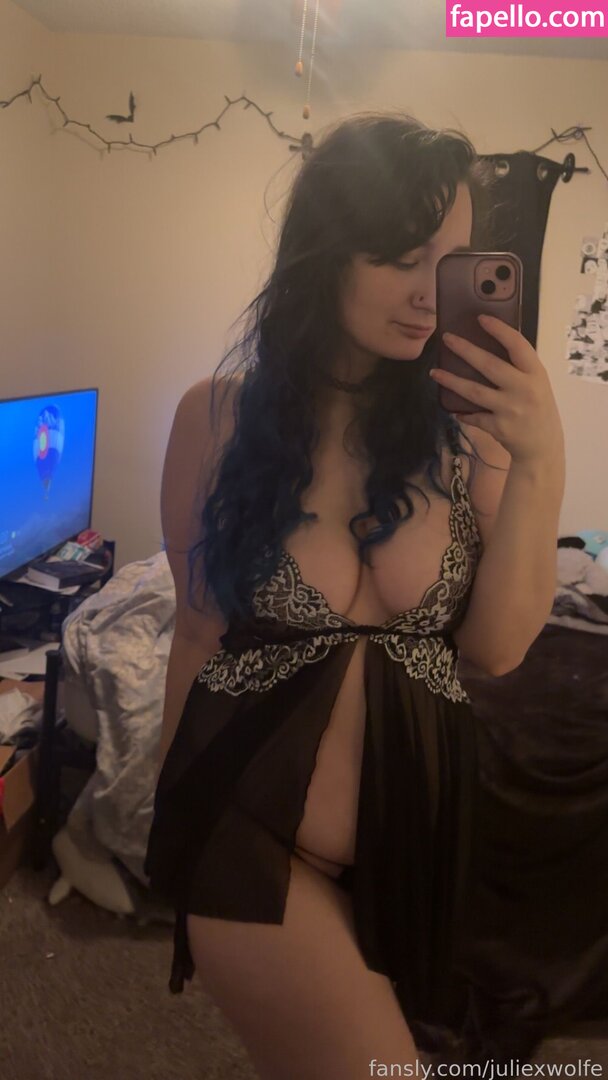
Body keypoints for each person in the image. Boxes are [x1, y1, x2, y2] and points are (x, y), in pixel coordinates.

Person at [144, 112, 566, 1077]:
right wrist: (166, 814)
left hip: (409, 851)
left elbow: (497, 648)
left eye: (450, 261)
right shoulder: (216, 416)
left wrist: (541, 457)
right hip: (244, 832)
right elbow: (199, 632)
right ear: (328, 249)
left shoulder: (472, 435)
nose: (427, 294)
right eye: (402, 257)